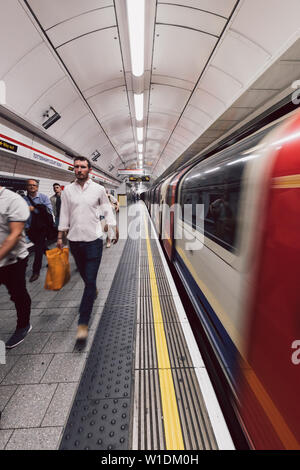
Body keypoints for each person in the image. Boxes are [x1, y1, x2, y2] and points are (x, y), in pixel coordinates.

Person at [57, 157, 119, 341]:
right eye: (76, 167)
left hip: (93, 241)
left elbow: (107, 209)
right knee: (85, 277)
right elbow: (64, 214)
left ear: (89, 170)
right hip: (75, 241)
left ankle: (83, 324)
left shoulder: (98, 190)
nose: (79, 169)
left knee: (89, 280)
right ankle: (92, 288)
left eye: (82, 167)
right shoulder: (67, 190)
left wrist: (114, 229)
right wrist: (60, 236)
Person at [0, 186, 32, 349]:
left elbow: (15, 234)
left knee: (17, 294)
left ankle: (23, 325)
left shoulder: (12, 200)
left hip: (14, 260)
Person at [24, 179, 53, 282]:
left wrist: (35, 209)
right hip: (29, 228)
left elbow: (49, 211)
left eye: (34, 185)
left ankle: (35, 272)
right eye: (29, 185)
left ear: (37, 187)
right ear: (26, 187)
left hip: (41, 228)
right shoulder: (23, 199)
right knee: (41, 247)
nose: (32, 187)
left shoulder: (43, 197)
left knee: (38, 249)